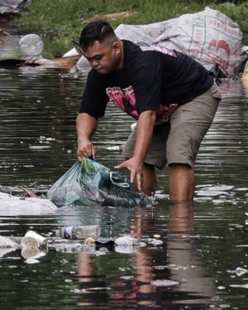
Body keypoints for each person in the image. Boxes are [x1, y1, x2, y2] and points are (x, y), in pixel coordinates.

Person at [75, 20, 221, 204]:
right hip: (162, 108)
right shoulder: (98, 75)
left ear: (116, 48)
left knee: (178, 154)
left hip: (194, 96)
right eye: (89, 59)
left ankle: (181, 220)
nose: (94, 64)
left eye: (98, 57)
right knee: (135, 158)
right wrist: (83, 139)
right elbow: (88, 111)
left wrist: (138, 157)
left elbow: (148, 114)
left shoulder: (143, 63)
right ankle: (144, 215)